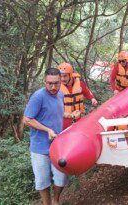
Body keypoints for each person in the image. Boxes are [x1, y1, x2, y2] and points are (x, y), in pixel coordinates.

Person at [23, 68, 68, 205]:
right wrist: (47, 129)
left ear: (61, 81)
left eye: (56, 83)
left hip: (57, 145)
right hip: (40, 147)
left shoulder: (60, 95)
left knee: (61, 178)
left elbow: (53, 113)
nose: (53, 87)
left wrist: (68, 115)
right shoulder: (38, 96)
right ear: (44, 82)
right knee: (43, 181)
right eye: (49, 83)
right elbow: (26, 120)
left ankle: (56, 201)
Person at [57, 62, 98, 130]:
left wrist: (92, 99)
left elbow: (87, 92)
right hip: (63, 119)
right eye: (60, 76)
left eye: (65, 76)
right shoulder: (56, 86)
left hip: (77, 117)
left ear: (70, 75)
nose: (62, 79)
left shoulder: (79, 84)